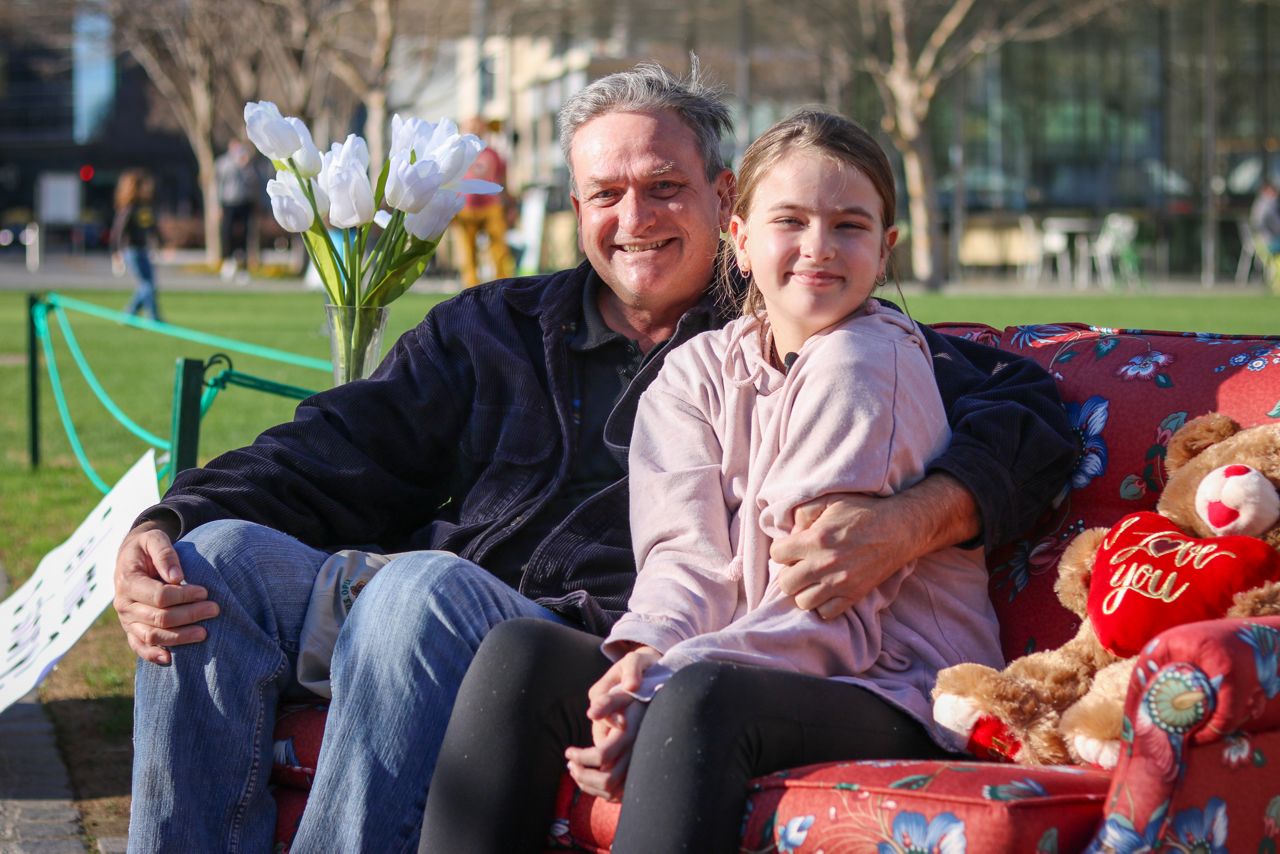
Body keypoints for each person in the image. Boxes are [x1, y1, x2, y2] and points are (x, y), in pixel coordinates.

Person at [115, 63, 1075, 853]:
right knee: (215, 563)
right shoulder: (493, 327)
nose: (635, 217)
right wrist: (167, 520)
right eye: (606, 194)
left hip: (586, 634)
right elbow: (337, 444)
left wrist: (916, 516)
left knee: (419, 592)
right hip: (459, 605)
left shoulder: (805, 319)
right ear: (574, 205)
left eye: (665, 187)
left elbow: (1028, 407)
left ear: (725, 202)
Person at [419, 110, 1003, 854]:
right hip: (751, 660)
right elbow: (683, 561)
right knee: (524, 656)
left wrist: (662, 681)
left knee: (698, 699)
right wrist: (638, 657)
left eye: (849, 227)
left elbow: (830, 620)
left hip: (894, 682)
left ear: (886, 251)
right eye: (790, 221)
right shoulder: (694, 373)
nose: (818, 249)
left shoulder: (869, 363)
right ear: (741, 238)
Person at [450, 117, 515, 287]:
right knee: (467, 252)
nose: (475, 130)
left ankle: (504, 283)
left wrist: (510, 205)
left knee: (499, 248)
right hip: (465, 208)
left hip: (491, 206)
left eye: (478, 126)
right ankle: (471, 287)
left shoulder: (493, 154)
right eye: (471, 126)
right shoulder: (458, 153)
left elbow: (503, 180)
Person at [110, 169, 162, 322]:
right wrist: (116, 253)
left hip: (143, 250)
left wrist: (159, 243)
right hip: (131, 251)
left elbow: (152, 227)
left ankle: (130, 313)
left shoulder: (145, 206)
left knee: (148, 284)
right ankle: (153, 317)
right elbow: (117, 232)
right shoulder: (129, 208)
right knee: (147, 284)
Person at [215, 139, 260, 282]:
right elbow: (218, 185)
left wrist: (246, 167)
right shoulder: (223, 163)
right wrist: (218, 206)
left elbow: (255, 182)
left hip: (244, 202)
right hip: (229, 203)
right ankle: (228, 261)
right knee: (227, 233)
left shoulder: (248, 164)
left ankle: (243, 266)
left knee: (245, 234)